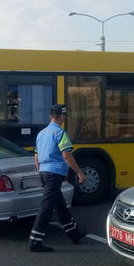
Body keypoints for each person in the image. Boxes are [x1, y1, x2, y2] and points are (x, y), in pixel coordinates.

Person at [29, 104, 87, 252]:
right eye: (64, 116)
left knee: (60, 205)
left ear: (50, 116)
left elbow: (36, 155)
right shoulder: (60, 133)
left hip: (44, 171)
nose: (64, 118)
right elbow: (66, 155)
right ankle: (35, 241)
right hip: (54, 174)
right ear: (61, 117)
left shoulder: (41, 133)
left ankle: (75, 234)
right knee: (47, 207)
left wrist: (39, 171)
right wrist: (79, 173)